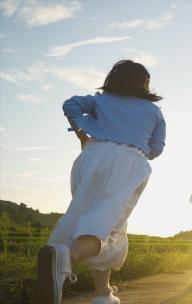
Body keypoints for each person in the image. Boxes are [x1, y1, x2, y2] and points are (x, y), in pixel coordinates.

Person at [31, 60, 166, 304]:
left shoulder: (100, 100)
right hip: (128, 164)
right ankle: (65, 257)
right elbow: (156, 149)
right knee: (105, 226)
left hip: (90, 158)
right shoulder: (154, 111)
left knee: (92, 218)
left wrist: (83, 134)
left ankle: (102, 294)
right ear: (143, 82)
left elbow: (69, 105)